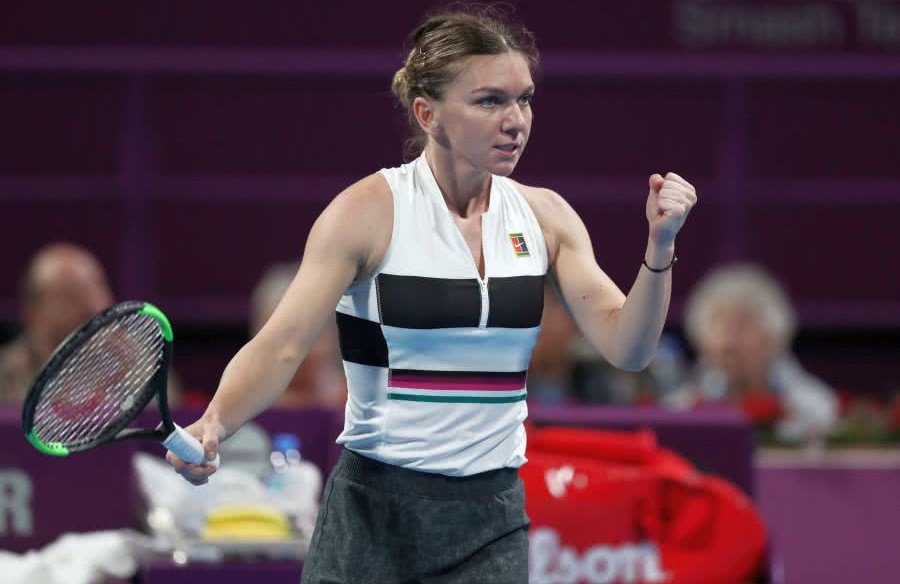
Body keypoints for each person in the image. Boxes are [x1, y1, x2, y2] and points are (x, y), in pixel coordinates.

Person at [166, 7, 698, 583]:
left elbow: (629, 348)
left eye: (524, 99)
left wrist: (660, 245)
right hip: (372, 520)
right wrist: (214, 423)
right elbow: (281, 346)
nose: (516, 120)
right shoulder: (367, 212)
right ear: (428, 114)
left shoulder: (546, 217)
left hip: (491, 524)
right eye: (490, 101)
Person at [666, 263, 838, 444]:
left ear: (773, 339)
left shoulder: (817, 408)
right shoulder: (680, 410)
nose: (729, 343)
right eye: (717, 327)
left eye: (741, 327)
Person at [0, 242, 114, 404]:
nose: (93, 307)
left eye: (97, 289)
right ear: (32, 310)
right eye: (70, 296)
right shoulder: (4, 375)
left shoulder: (142, 370)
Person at [249, 262, 346, 408]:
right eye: (282, 336)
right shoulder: (236, 412)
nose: (295, 351)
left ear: (334, 337)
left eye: (311, 335)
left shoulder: (365, 407)